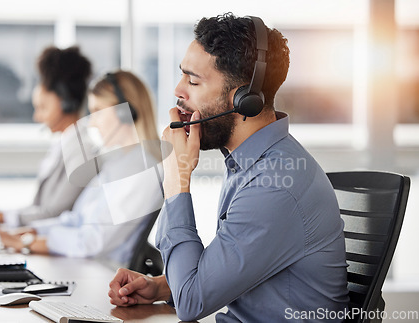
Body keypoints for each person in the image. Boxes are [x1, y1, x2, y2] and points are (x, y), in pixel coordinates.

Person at [108, 13, 349, 322]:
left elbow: (192, 303)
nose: (178, 91)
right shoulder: (251, 163)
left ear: (243, 100)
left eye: (193, 80)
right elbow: (232, 267)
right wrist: (161, 287)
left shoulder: (275, 184)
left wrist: (177, 179)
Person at [0, 70, 164, 266]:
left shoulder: (142, 170)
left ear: (124, 112)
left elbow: (93, 242)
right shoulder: (117, 163)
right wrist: (32, 231)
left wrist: (29, 243)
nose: (92, 122)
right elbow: (75, 220)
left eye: (97, 111)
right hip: (83, 265)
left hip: (101, 274)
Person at [0, 46, 92, 227]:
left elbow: (54, 213)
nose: (37, 117)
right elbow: (38, 207)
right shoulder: (65, 143)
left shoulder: (82, 150)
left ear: (67, 101)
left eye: (43, 107)